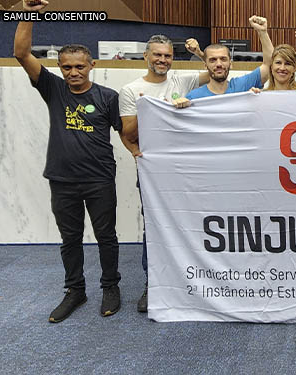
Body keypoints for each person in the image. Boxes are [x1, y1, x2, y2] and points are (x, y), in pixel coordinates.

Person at [13, 0, 124, 323]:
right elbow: (22, 54)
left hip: (100, 178)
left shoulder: (108, 97)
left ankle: (111, 287)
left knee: (107, 237)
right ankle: (75, 290)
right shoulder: (53, 89)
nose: (73, 72)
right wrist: (28, 14)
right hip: (62, 179)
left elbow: (127, 133)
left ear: (92, 65)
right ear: (60, 68)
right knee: (70, 238)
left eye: (79, 66)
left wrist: (142, 152)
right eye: (67, 67)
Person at [117, 34, 209, 313]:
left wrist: (200, 52)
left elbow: (217, 73)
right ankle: (152, 283)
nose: (162, 60)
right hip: (154, 173)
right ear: (146, 56)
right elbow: (128, 132)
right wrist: (150, 110)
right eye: (157, 55)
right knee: (155, 227)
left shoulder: (181, 81)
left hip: (185, 169)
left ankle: (189, 280)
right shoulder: (131, 90)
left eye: (167, 56)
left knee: (190, 223)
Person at [175, 15, 273, 106]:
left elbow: (269, 65)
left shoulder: (242, 86)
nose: (219, 64)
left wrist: (263, 32)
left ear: (231, 64)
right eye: (213, 60)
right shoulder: (194, 97)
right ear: (205, 65)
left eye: (223, 59)